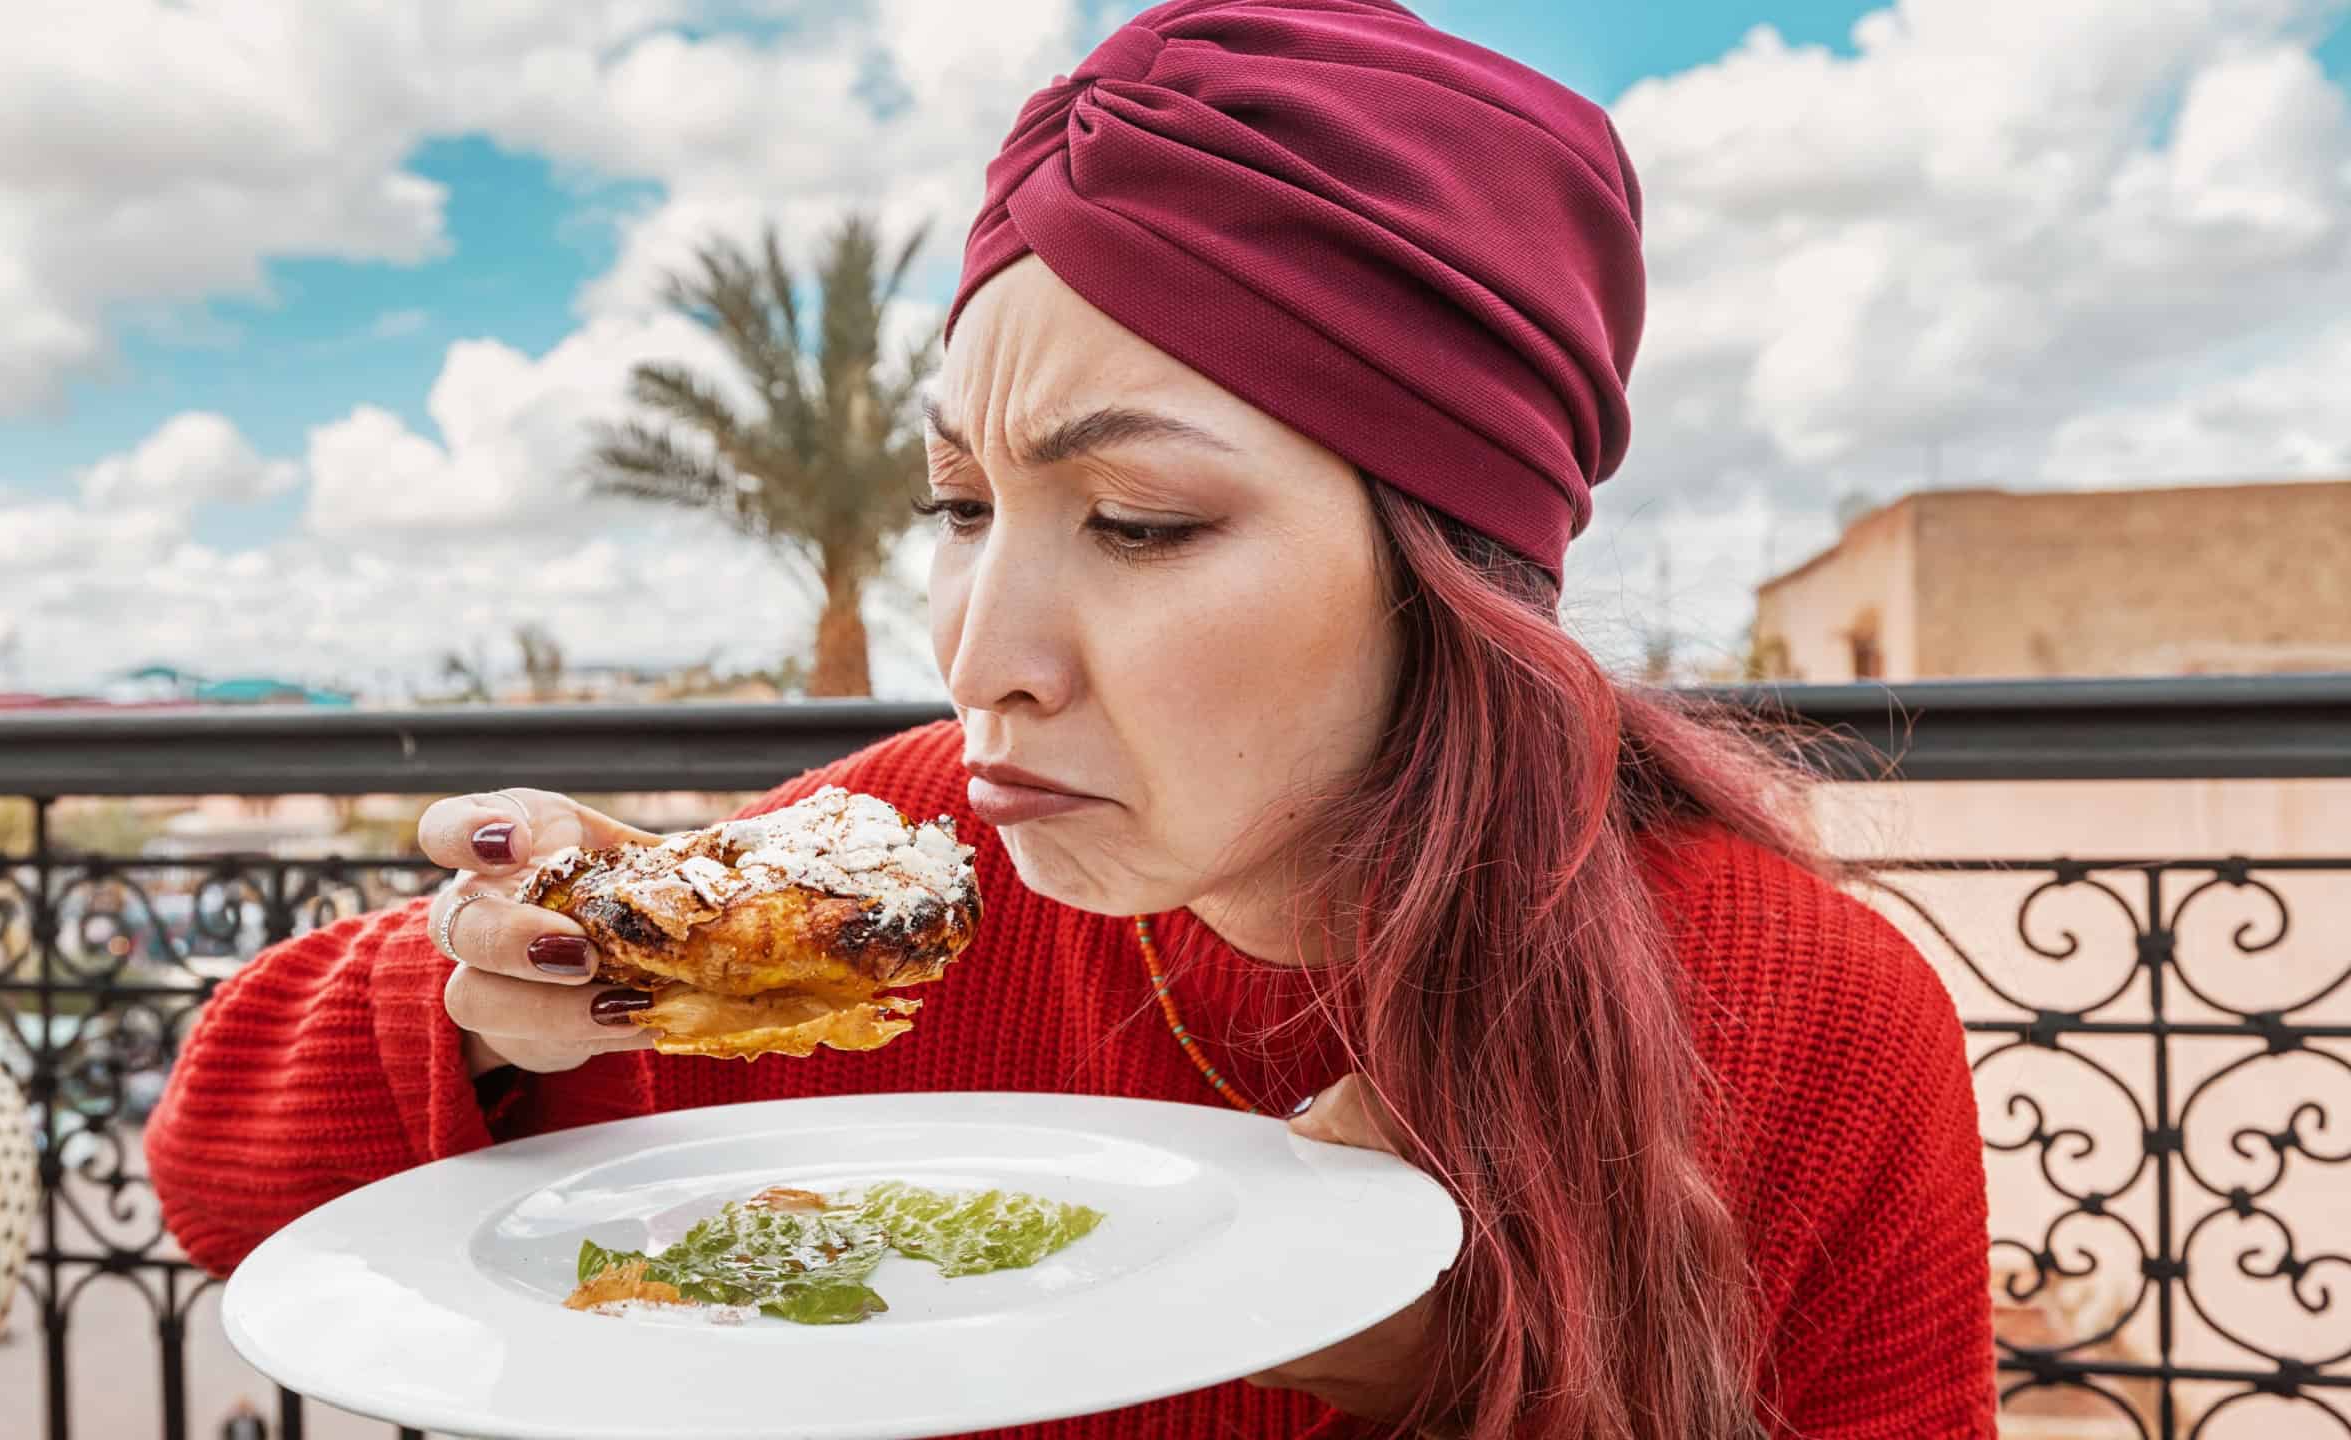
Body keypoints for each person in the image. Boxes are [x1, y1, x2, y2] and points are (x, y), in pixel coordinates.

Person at [144, 2, 1997, 1435]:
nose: (984, 650)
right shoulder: (897, 882)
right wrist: (480, 1008)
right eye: (961, 507)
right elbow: (220, 1172)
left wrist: (1481, 1380)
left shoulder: (1798, 1023)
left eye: (1138, 524)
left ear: (1457, 585)